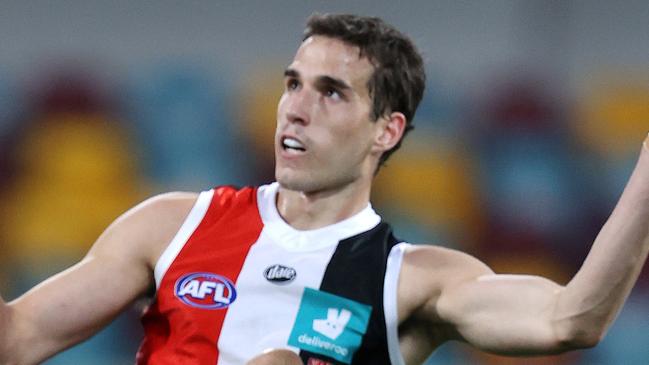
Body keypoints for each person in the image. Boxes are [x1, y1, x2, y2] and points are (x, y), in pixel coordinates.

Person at [1, 13, 649, 365]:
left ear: (385, 130)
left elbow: (572, 319)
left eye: (330, 92)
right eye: (292, 83)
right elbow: (17, 336)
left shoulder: (414, 278)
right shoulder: (174, 224)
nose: (295, 108)